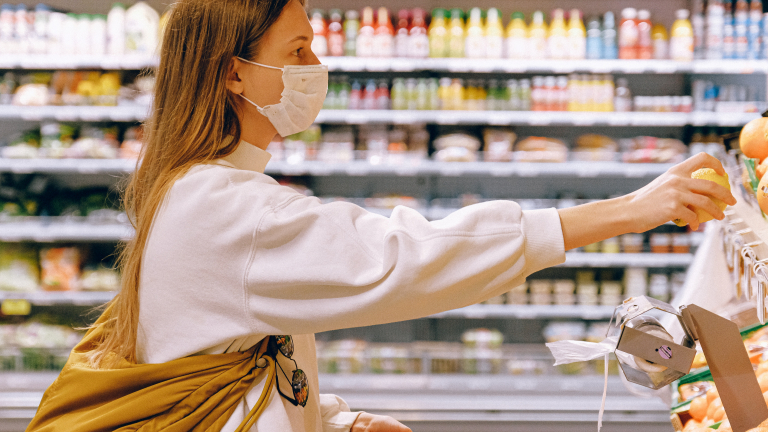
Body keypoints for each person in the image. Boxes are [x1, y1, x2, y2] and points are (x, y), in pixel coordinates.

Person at [27, 1, 736, 431]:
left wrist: (335, 419)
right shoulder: (220, 206)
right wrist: (626, 210)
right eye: (297, 50)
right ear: (233, 72)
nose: (316, 66)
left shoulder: (200, 186)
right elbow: (404, 254)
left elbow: (228, 361)